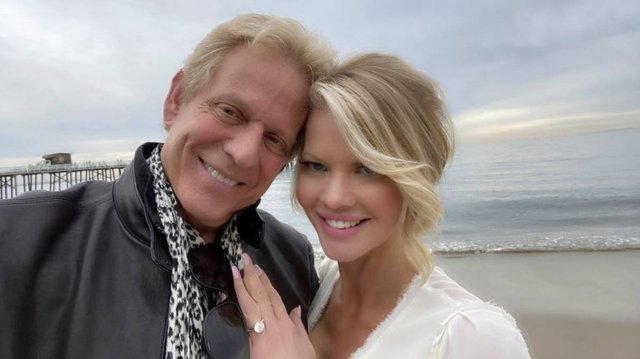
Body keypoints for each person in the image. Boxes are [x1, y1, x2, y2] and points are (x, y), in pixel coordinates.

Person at [0, 14, 335, 359]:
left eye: (275, 139)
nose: (244, 153)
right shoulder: (18, 241)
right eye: (230, 112)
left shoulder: (293, 261)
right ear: (176, 99)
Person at [232, 53, 531, 358]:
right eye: (316, 166)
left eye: (368, 169)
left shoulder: (470, 337)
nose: (335, 198)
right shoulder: (318, 282)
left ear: (417, 174)